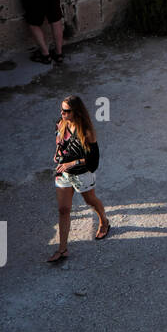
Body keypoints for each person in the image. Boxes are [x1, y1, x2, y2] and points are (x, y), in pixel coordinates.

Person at [47, 95, 109, 263]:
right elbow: (59, 142)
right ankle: (62, 249)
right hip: (63, 173)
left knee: (90, 200)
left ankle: (104, 221)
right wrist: (57, 155)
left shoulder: (87, 132)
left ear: (76, 112)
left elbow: (93, 160)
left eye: (66, 111)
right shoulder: (60, 123)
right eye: (61, 110)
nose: (62, 113)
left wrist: (72, 163)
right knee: (63, 209)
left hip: (82, 173)